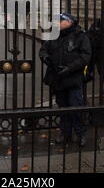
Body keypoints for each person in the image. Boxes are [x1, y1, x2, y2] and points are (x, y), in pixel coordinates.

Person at [39, 13, 92, 147]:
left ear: (69, 22)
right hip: (58, 79)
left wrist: (69, 68)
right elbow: (43, 50)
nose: (56, 23)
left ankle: (81, 134)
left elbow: (85, 56)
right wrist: (46, 58)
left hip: (73, 79)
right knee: (62, 108)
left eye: (60, 21)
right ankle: (65, 133)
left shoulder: (80, 36)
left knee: (75, 107)